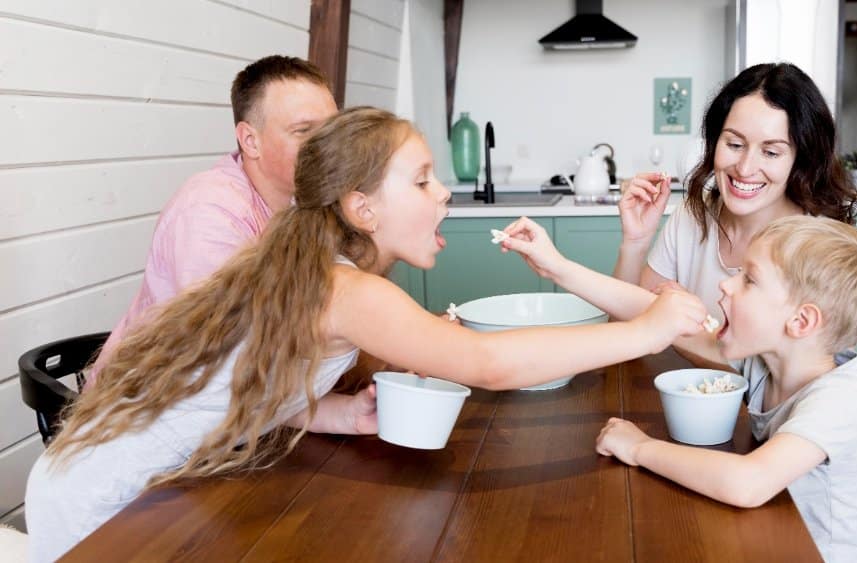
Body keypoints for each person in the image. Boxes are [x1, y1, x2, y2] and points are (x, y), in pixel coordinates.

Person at [25, 108, 710, 562]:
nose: (442, 193)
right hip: (106, 503)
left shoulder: (316, 272)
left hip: (128, 480)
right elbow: (487, 362)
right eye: (422, 180)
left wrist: (327, 411)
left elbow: (239, 379)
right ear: (363, 208)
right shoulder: (344, 289)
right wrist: (646, 331)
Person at [495, 213, 857, 561]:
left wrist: (640, 448)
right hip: (777, 538)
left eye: (749, 280)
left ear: (801, 322)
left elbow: (748, 483)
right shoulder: (767, 360)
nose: (727, 286)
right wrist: (558, 267)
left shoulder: (843, 397)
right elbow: (652, 314)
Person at [88, 55, 338, 381]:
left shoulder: (303, 203)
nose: (328, 147)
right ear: (250, 141)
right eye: (304, 131)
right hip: (145, 406)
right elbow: (231, 359)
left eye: (332, 131)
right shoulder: (208, 213)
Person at [613, 63, 857, 323]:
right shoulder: (691, 214)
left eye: (771, 152)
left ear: (801, 159)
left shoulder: (818, 245)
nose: (745, 168)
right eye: (734, 144)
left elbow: (779, 363)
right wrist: (635, 243)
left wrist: (681, 322)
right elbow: (626, 334)